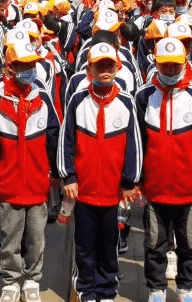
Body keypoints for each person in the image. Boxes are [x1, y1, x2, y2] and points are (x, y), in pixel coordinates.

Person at [57, 41, 142, 302]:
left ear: (117, 68)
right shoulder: (78, 99)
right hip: (83, 189)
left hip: (113, 191)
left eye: (109, 65)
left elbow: (134, 145)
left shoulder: (127, 101)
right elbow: (66, 140)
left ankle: (106, 289)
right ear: (89, 69)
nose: (105, 70)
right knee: (83, 245)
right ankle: (85, 288)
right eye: (99, 66)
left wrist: (130, 182)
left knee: (109, 245)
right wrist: (68, 176)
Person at [135, 38, 192, 302]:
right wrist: (135, 180)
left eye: (174, 66)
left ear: (183, 64)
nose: (169, 71)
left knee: (188, 243)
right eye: (164, 66)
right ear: (156, 63)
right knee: (154, 244)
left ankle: (185, 288)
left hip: (187, 189)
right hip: (155, 189)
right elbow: (138, 144)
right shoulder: (144, 96)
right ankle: (156, 288)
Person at [0, 39, 60, 302]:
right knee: (10, 239)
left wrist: (57, 175)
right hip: (9, 182)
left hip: (38, 181)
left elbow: (54, 137)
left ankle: (32, 280)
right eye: (23, 65)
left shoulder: (43, 96)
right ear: (10, 67)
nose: (29, 70)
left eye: (32, 65)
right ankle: (11, 282)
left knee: (36, 239)